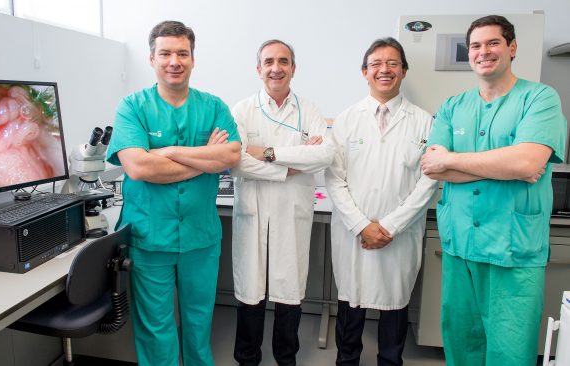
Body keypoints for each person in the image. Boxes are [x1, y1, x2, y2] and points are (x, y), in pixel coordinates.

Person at [421, 15, 567, 366]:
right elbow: (430, 167)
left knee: (509, 350)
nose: (483, 52)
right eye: (475, 45)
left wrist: (453, 161)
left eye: (493, 43)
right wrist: (505, 166)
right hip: (460, 247)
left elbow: (528, 163)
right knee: (462, 342)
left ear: (512, 48)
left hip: (512, 248)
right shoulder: (453, 106)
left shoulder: (540, 98)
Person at [105, 20, 241, 366]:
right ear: (152, 58)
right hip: (150, 238)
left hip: (201, 237)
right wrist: (204, 159)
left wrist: (165, 152)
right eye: (165, 53)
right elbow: (138, 168)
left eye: (182, 53)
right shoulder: (132, 107)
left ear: (193, 59)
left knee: (199, 324)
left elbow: (230, 155)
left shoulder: (214, 107)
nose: (174, 61)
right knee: (156, 330)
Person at [325, 37, 437, 366]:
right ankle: (347, 361)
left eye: (392, 64)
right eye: (376, 64)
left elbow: (429, 180)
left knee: (395, 303)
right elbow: (335, 177)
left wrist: (389, 226)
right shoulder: (346, 119)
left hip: (399, 234)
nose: (384, 70)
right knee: (351, 301)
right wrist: (362, 225)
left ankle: (391, 361)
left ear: (403, 71)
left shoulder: (424, 121)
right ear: (364, 72)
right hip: (353, 232)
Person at [230, 39, 334, 366]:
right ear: (258, 69)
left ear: (293, 68)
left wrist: (270, 153)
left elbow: (325, 154)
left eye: (284, 61)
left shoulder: (309, 109)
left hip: (292, 212)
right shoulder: (242, 110)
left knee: (289, 289)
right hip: (254, 209)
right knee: (252, 289)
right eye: (269, 62)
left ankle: (285, 358)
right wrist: (289, 168)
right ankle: (247, 358)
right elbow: (236, 162)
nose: (277, 68)